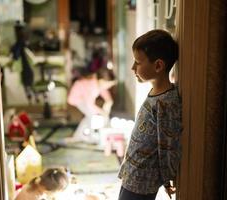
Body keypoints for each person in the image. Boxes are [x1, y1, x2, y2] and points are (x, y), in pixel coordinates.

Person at [117, 29, 182, 200]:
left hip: (142, 183)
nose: (133, 68)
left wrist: (169, 177)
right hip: (132, 175)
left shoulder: (166, 103)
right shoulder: (156, 94)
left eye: (137, 62)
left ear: (158, 66)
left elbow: (168, 145)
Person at [67, 69, 116, 143]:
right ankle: (81, 136)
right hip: (76, 98)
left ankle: (84, 135)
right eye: (108, 84)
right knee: (91, 115)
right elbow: (90, 104)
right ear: (102, 81)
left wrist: (109, 101)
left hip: (83, 98)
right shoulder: (93, 87)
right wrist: (102, 112)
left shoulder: (98, 83)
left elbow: (104, 92)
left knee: (91, 115)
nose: (109, 87)